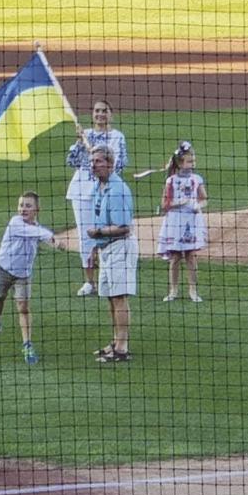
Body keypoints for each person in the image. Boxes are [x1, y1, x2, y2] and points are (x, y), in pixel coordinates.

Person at [0, 192, 68, 364]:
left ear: (37, 209)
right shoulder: (15, 223)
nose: (23, 209)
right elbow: (39, 234)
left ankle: (27, 344)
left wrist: (54, 242)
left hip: (23, 275)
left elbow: (40, 235)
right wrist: (54, 240)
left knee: (23, 307)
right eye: (21, 205)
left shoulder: (36, 228)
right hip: (3, 268)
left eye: (28, 206)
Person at [65, 100, 127, 296]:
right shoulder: (86, 135)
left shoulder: (117, 137)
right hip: (82, 191)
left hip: (105, 190)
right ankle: (89, 282)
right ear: (92, 114)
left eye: (104, 111)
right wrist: (79, 143)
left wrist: (100, 158)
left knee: (107, 233)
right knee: (86, 236)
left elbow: (121, 163)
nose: (100, 114)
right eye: (97, 111)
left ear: (111, 114)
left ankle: (106, 278)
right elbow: (71, 162)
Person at [87, 145, 138, 363]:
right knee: (110, 296)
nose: (94, 165)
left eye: (98, 161)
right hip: (106, 248)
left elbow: (123, 226)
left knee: (119, 297)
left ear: (110, 163)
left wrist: (97, 233)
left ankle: (122, 348)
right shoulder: (99, 187)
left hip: (120, 247)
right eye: (92, 162)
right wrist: (96, 246)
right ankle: (116, 341)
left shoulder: (118, 189)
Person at [157, 141, 208, 302]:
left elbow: (204, 199)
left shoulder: (196, 179)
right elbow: (164, 204)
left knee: (191, 255)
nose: (192, 164)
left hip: (191, 220)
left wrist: (197, 206)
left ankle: (193, 290)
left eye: (193, 161)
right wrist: (181, 203)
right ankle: (173, 290)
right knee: (175, 256)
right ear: (180, 163)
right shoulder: (171, 181)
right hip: (175, 220)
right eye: (189, 161)